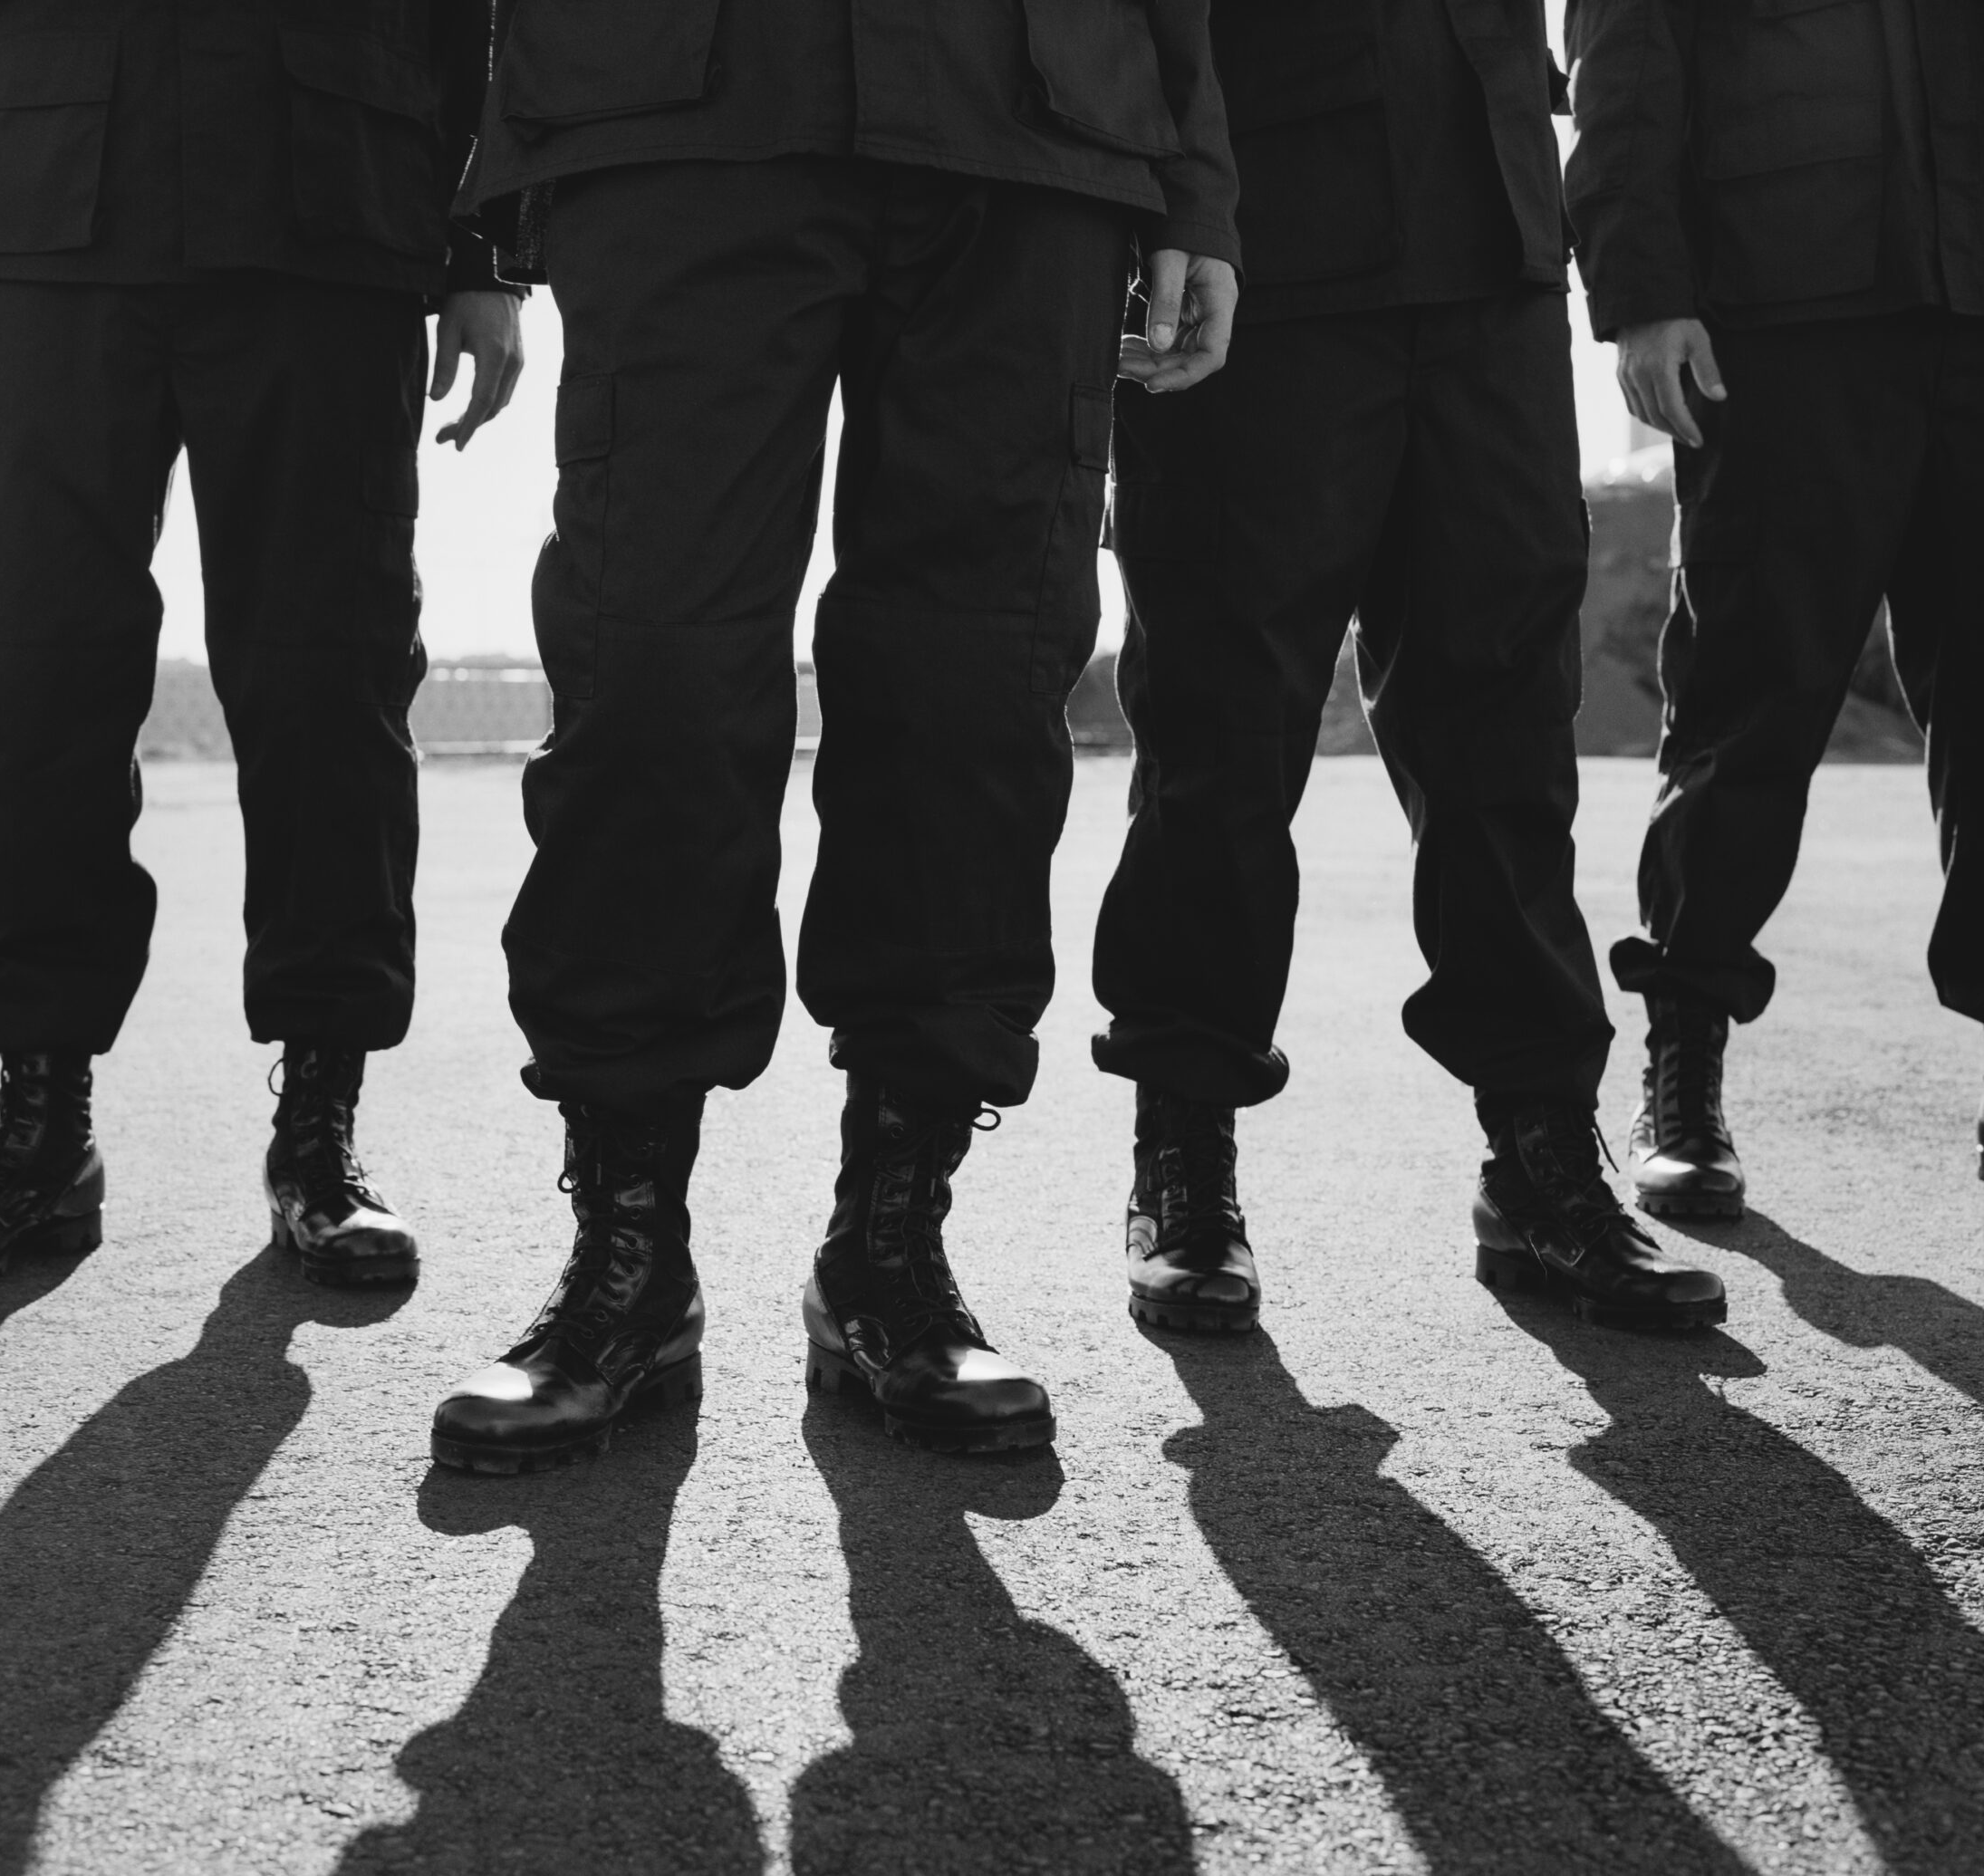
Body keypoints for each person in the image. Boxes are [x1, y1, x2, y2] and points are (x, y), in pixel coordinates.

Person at [427, 0, 1242, 1475]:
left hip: (1030, 111)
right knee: (651, 674)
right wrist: (472, 195)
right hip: (682, 106)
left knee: (971, 699)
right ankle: (629, 1255)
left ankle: (890, 1246)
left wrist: (1194, 179)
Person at [0, 0, 524, 1293]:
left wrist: (485, 250)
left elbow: (474, 15)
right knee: (31, 676)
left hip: (328, 207)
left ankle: (319, 1135)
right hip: (56, 210)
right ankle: (39, 1130)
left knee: (329, 682)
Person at [1091, 0, 1728, 1336]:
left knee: (1506, 740)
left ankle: (1542, 1156)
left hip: (1490, 253)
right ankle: (1184, 1156)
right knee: (1221, 732)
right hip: (1258, 259)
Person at [1566, 0, 1984, 1207]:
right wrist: (1640, 288)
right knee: (1751, 703)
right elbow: (1627, 53)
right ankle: (1685, 1057)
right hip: (1786, 311)